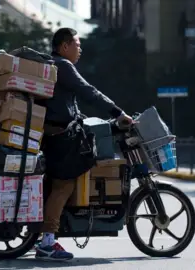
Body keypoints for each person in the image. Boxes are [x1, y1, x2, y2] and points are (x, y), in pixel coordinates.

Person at [34, 28, 134, 261]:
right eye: (77, 45)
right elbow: (89, 91)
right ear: (65, 46)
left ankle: (47, 231)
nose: (80, 49)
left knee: (57, 184)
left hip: (53, 134)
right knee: (64, 185)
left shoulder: (52, 65)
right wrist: (118, 112)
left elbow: (72, 103)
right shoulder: (63, 66)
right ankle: (47, 242)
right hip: (61, 137)